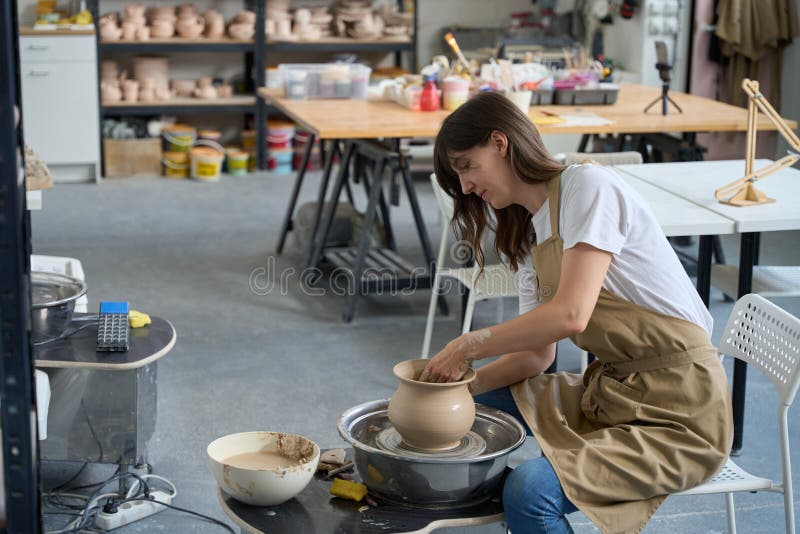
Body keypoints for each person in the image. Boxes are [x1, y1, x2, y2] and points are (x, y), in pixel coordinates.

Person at [421, 91, 732, 534]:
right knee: (467, 411)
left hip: (682, 410)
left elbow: (571, 315)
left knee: (529, 492)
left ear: (500, 142)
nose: (466, 186)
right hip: (614, 392)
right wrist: (456, 389)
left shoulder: (587, 187)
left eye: (467, 165)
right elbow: (536, 358)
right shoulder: (528, 236)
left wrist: (469, 345)